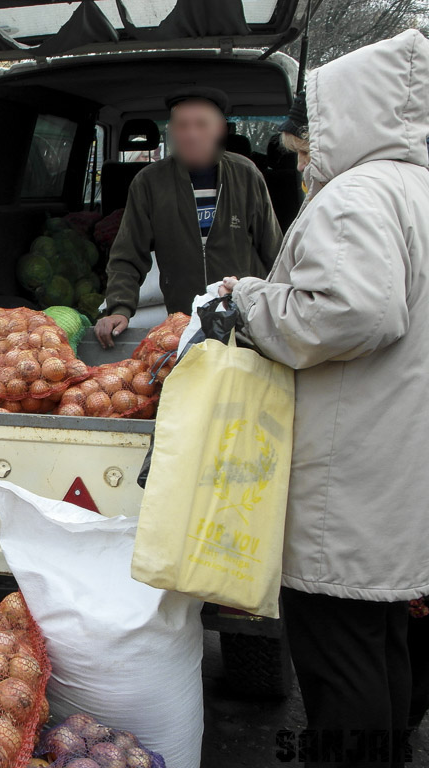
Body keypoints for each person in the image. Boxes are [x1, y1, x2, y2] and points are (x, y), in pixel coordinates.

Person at [220, 31, 429, 767]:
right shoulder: (416, 190)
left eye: (307, 144)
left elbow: (356, 312)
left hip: (351, 474)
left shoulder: (358, 197)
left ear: (345, 123)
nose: (303, 160)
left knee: (339, 654)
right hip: (395, 462)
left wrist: (250, 301)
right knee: (380, 641)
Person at [95, 87, 282, 348]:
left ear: (220, 130)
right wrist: (118, 307)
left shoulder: (246, 175)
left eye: (202, 124)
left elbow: (273, 251)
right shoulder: (150, 182)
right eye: (182, 125)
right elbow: (127, 255)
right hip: (184, 322)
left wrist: (284, 310)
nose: (192, 134)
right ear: (170, 132)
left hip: (246, 319)